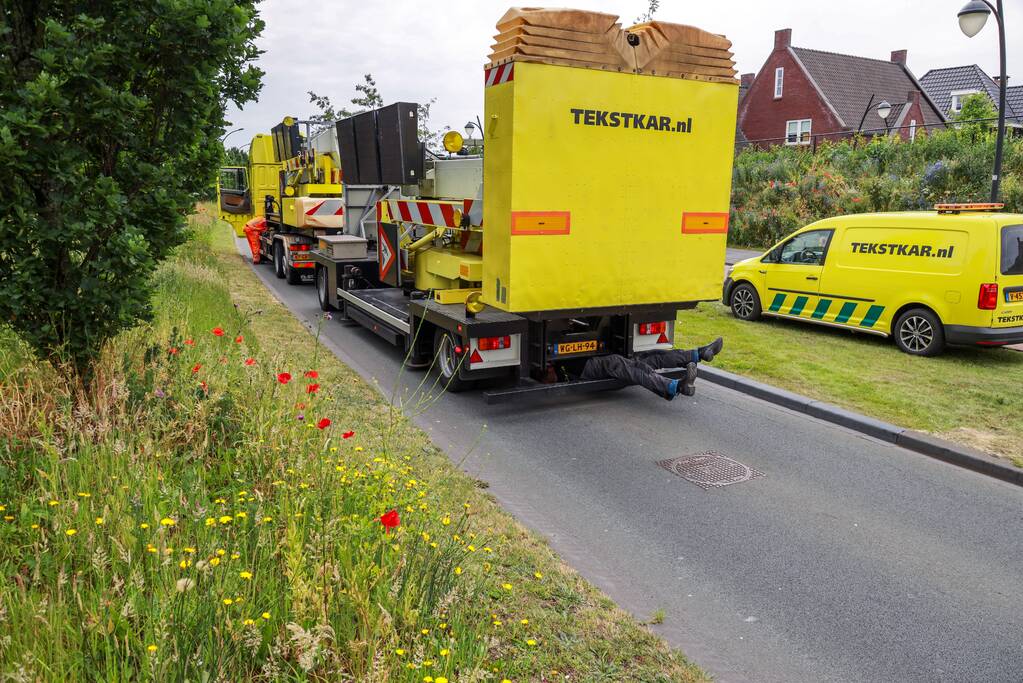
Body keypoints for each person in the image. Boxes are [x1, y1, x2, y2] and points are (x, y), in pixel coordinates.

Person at [578, 337, 723, 401]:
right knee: (623, 364)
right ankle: (672, 386)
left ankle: (697, 354)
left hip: (584, 362)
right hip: (580, 370)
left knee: (651, 356)